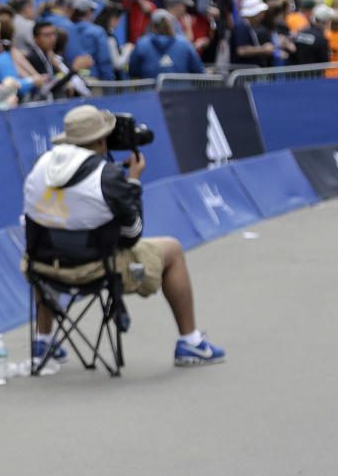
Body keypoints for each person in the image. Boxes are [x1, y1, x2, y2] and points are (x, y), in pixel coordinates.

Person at [22, 104, 225, 370]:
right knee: (172, 249)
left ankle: (44, 341)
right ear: (100, 140)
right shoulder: (107, 177)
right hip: (93, 269)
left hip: (41, 268)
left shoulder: (41, 164)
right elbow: (132, 235)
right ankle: (191, 342)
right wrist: (132, 183)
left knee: (52, 240)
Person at [128, 9, 205, 79]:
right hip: (181, 93)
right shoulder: (185, 43)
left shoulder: (141, 44)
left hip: (149, 93)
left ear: (153, 27)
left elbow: (132, 72)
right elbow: (199, 71)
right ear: (172, 25)